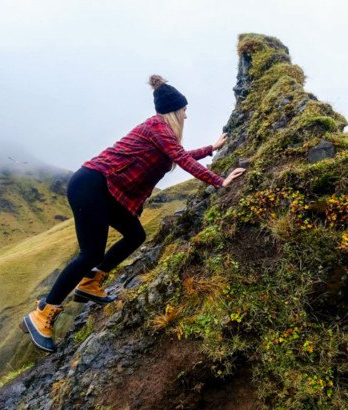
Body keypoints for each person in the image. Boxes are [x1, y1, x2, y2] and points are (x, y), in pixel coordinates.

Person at [19, 74, 245, 353]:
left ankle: (91, 282)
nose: (187, 115)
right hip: (92, 184)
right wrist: (220, 181)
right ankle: (42, 314)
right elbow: (180, 158)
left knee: (135, 234)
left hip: (104, 190)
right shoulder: (157, 125)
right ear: (175, 111)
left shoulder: (163, 134)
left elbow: (176, 154)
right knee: (89, 253)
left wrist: (211, 149)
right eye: (184, 110)